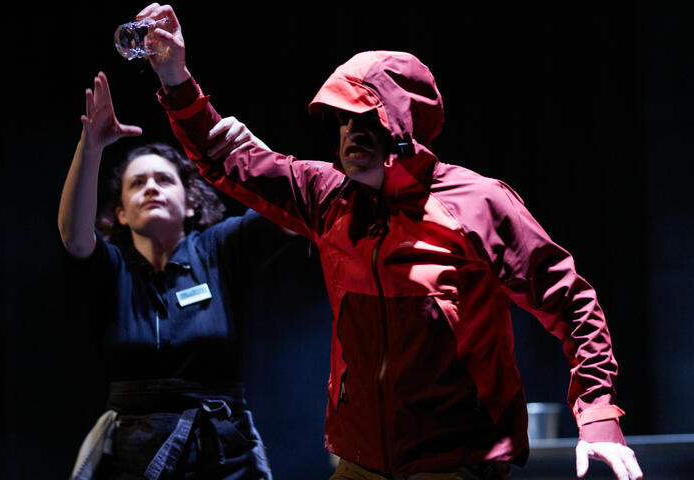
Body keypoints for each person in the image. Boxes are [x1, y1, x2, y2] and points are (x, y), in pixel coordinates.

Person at [135, 4, 644, 480]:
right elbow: (224, 158)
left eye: (366, 118)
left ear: (403, 122)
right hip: (361, 462)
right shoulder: (327, 196)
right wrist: (175, 77)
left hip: (455, 464)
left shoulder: (477, 203)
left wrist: (598, 416)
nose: (349, 133)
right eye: (341, 120)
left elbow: (572, 302)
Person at [59, 70, 286, 480]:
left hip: (224, 456)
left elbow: (289, 212)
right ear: (121, 213)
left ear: (189, 203)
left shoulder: (219, 247)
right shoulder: (114, 267)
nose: (151, 188)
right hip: (134, 458)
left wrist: (255, 152)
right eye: (137, 183)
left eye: (164, 179)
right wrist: (90, 148)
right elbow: (74, 238)